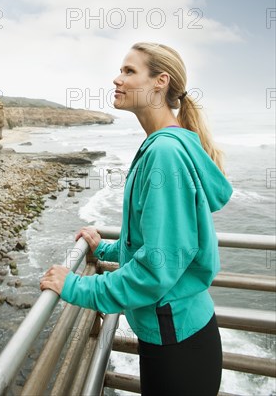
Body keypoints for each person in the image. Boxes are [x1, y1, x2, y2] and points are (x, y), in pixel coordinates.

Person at [40, 42, 233, 396]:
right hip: (177, 331)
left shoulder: (165, 154)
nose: (117, 79)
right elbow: (159, 243)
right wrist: (109, 248)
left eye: (129, 71)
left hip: (177, 344)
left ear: (160, 81)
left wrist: (75, 286)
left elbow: (157, 269)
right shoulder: (168, 144)